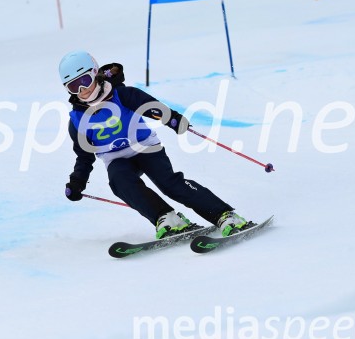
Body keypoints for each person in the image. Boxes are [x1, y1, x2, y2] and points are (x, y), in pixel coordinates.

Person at [59, 50, 252, 239]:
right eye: (72, 86)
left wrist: (172, 119)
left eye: (83, 81)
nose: (81, 90)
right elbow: (84, 156)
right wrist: (77, 182)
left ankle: (225, 215)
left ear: (95, 73)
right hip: (115, 158)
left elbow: (151, 106)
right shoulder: (77, 121)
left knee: (169, 183)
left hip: (145, 147)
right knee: (120, 182)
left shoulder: (121, 95)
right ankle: (166, 218)